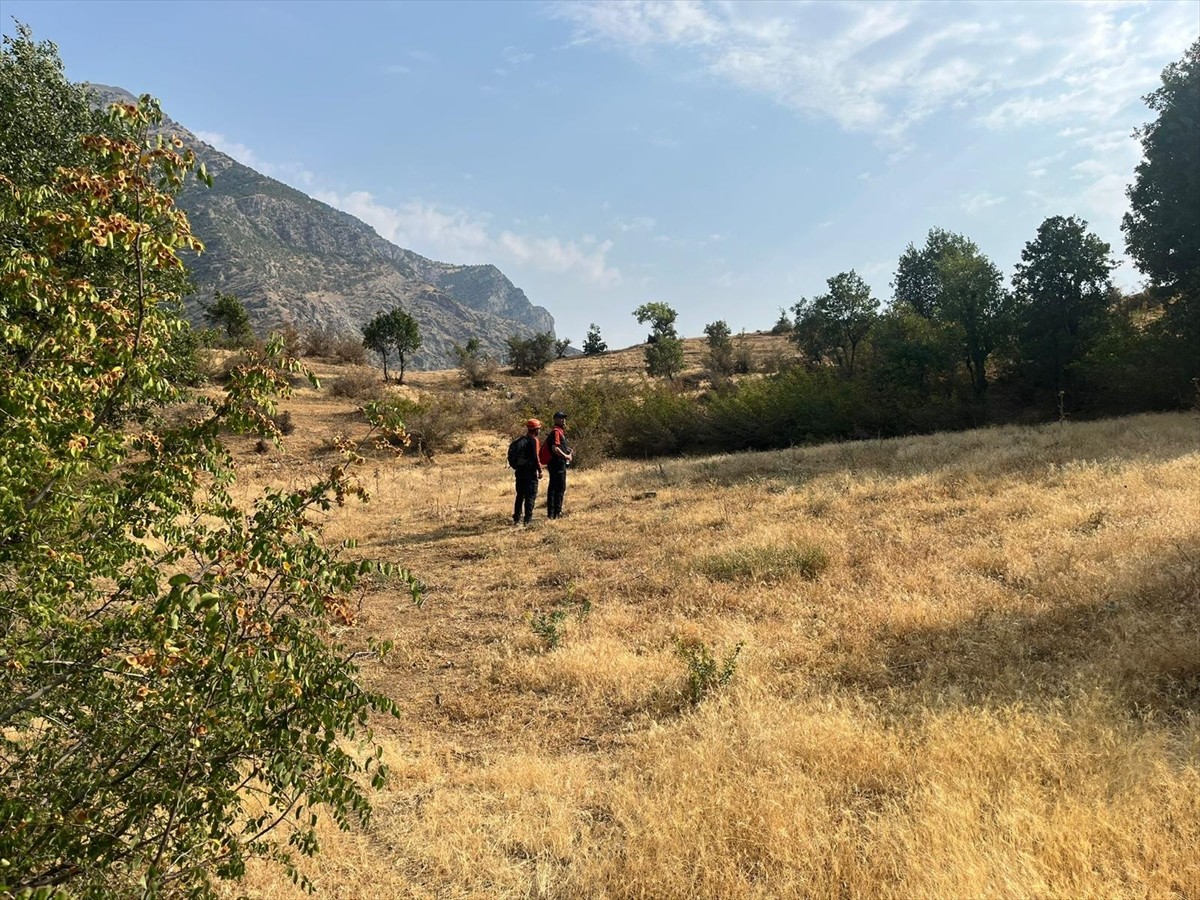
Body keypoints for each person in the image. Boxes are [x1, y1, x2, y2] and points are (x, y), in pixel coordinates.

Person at [512, 418, 542, 526]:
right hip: (530, 473)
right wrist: (540, 470)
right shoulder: (534, 440)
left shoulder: (520, 440)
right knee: (530, 496)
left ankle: (516, 518)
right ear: (536, 429)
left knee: (520, 495)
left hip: (519, 472)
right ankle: (527, 520)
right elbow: (535, 457)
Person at [545, 411, 573, 519]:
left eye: (564, 418)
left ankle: (552, 513)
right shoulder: (556, 432)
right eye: (561, 418)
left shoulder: (559, 431)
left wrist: (567, 450)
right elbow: (555, 448)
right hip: (557, 464)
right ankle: (557, 512)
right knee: (559, 487)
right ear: (555, 419)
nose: (563, 420)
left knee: (554, 487)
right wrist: (566, 456)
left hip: (555, 463)